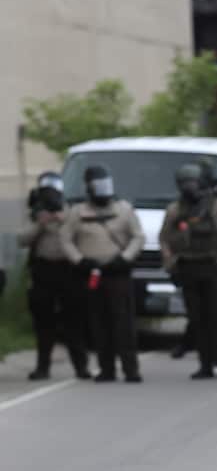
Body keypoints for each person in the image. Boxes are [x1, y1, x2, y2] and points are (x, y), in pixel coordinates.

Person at [160, 163, 217, 380]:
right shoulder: (175, 210)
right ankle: (205, 364)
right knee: (198, 319)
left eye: (193, 182)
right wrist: (170, 262)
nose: (189, 188)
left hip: (215, 266)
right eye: (184, 183)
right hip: (189, 267)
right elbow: (165, 238)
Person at [60, 164, 145, 383]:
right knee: (99, 323)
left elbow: (138, 236)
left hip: (117, 272)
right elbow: (66, 239)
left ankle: (130, 369)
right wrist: (79, 260)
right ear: (88, 188)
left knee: (123, 323)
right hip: (92, 274)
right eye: (98, 186)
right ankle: (106, 369)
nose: (103, 191)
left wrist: (125, 258)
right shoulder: (78, 212)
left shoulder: (123, 209)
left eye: (105, 185)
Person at [20, 172, 90, 381]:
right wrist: (40, 224)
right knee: (44, 322)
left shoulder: (72, 213)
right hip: (43, 271)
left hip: (68, 270)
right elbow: (21, 240)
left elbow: (81, 237)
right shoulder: (35, 215)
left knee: (74, 321)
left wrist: (62, 220)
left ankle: (81, 367)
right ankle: (42, 367)